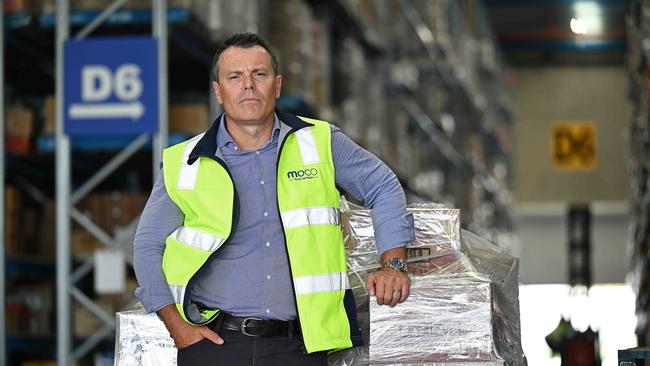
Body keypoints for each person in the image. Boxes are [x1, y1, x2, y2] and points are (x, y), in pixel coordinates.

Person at [133, 32, 414, 366]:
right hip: (214, 345)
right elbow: (148, 245)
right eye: (235, 77)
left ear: (277, 86)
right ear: (218, 91)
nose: (248, 85)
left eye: (259, 74)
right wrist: (176, 325)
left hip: (299, 348)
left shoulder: (320, 142)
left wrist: (393, 264)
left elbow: (383, 185)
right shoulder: (185, 161)